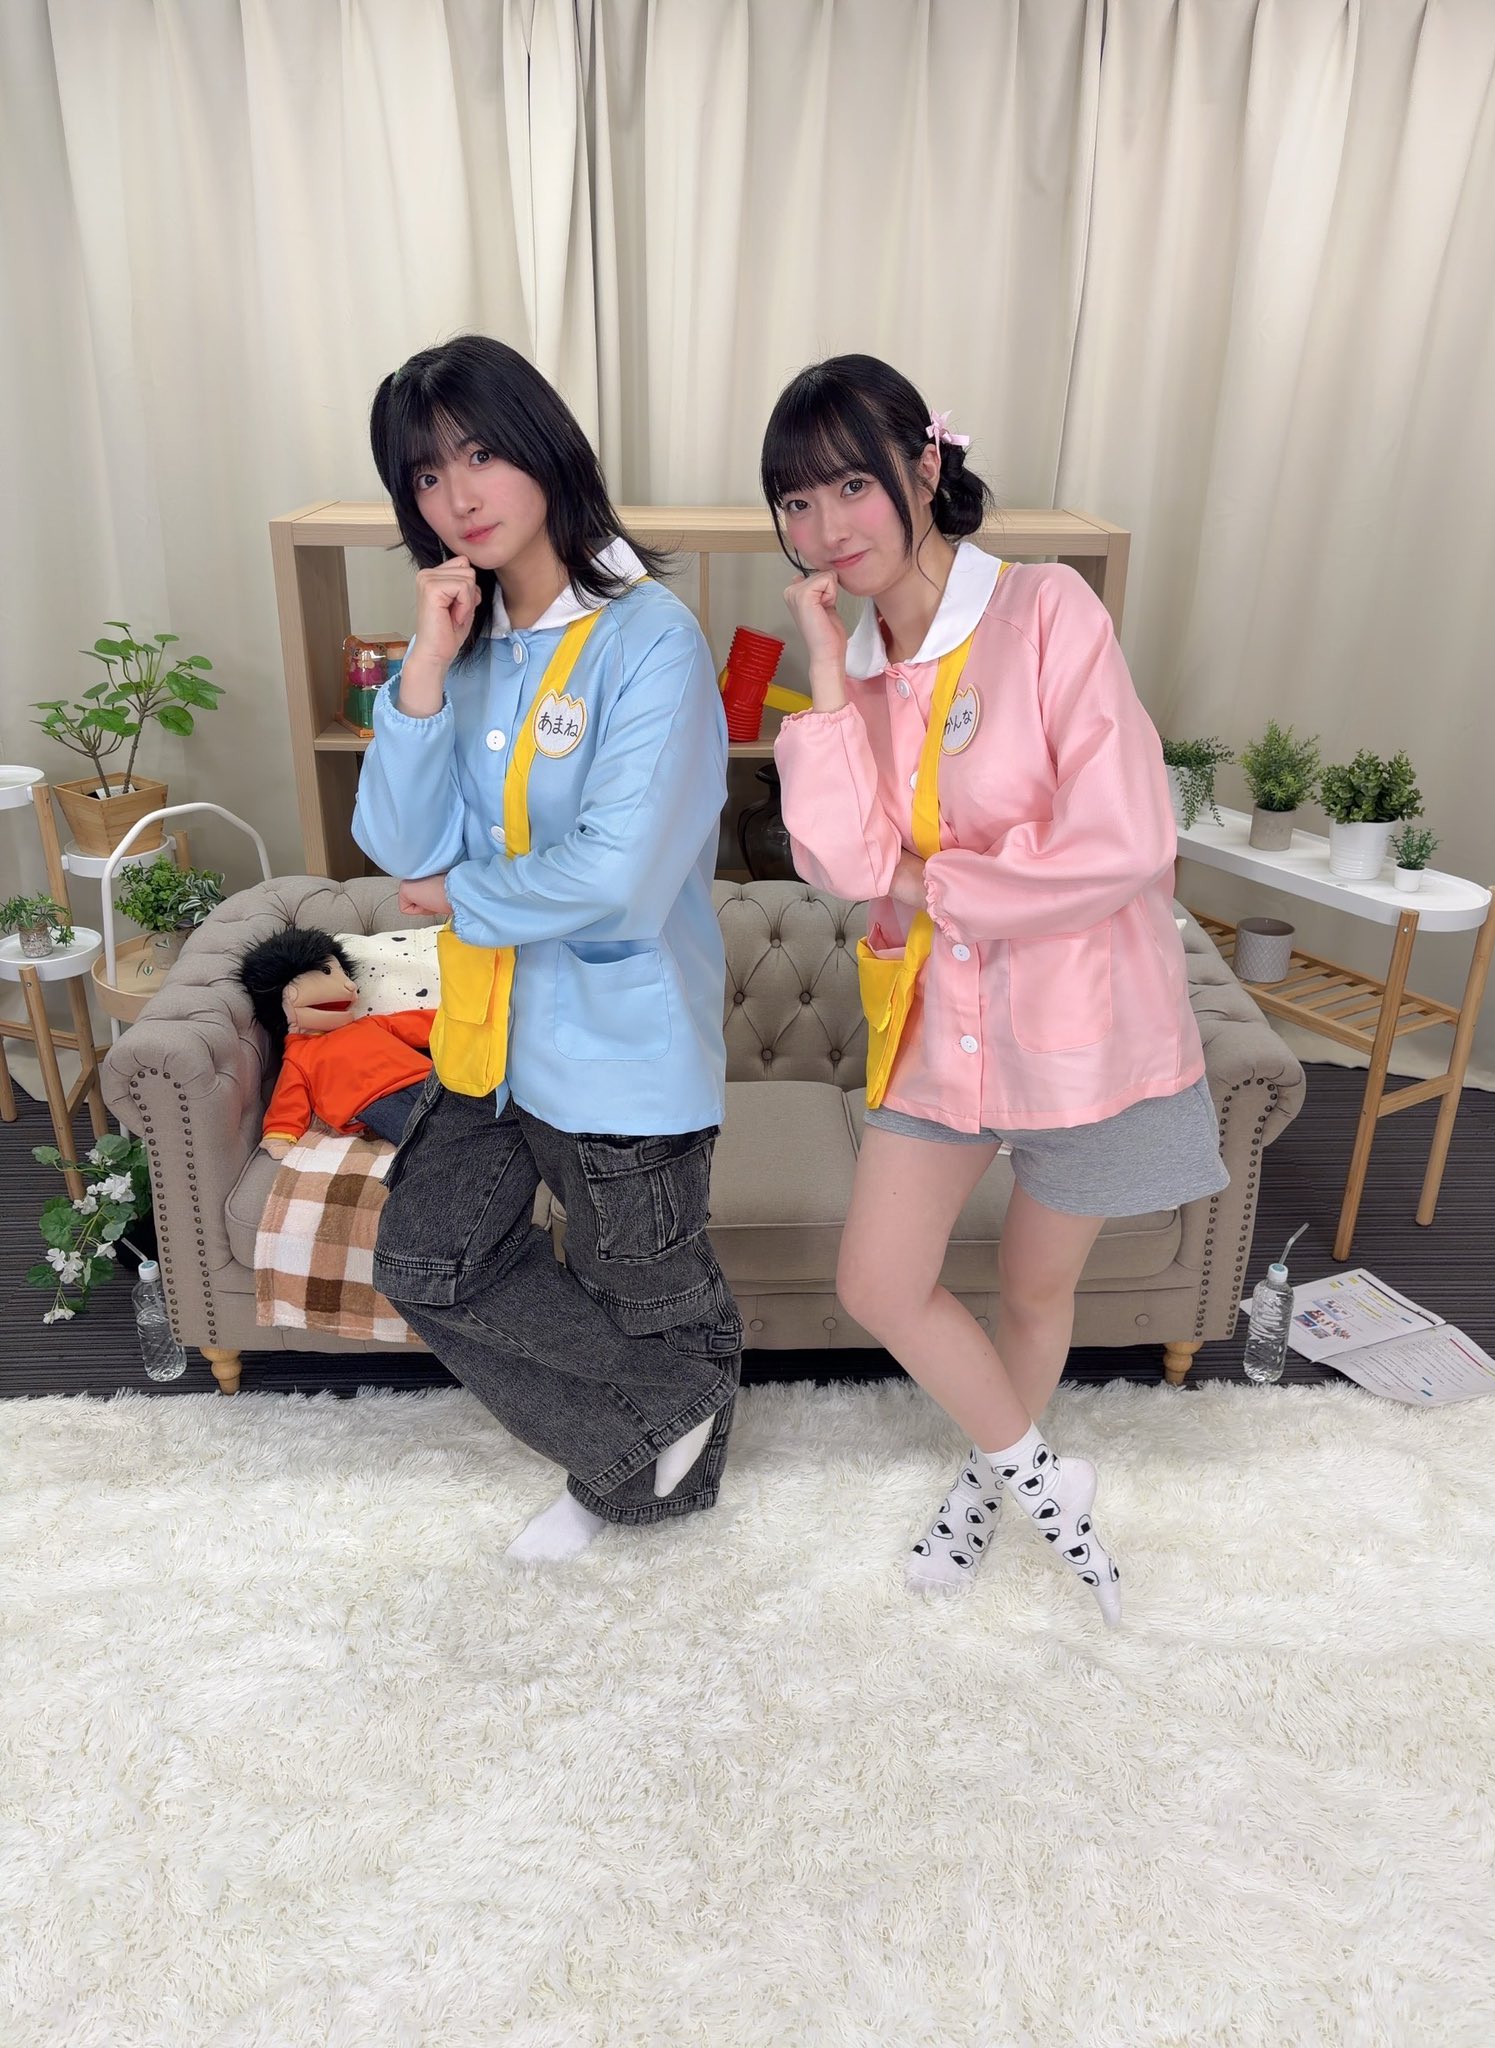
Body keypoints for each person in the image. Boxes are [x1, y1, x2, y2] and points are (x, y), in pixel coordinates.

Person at [762, 354, 1229, 1623]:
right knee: (879, 1280)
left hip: (1083, 1028)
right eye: (797, 501)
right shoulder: (858, 662)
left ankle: (983, 1484)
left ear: (925, 466)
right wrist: (824, 662)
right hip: (935, 1026)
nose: (826, 525)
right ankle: (1047, 1483)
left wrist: (934, 880)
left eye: (851, 484)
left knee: (1032, 1287)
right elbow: (839, 860)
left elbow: (1124, 838)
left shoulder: (1047, 612)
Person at [354, 333, 741, 1564]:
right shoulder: (464, 643)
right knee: (427, 1257)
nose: (456, 496)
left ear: (544, 446)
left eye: (479, 454)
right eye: (425, 475)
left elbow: (619, 875)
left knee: (651, 1287)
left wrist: (459, 894)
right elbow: (393, 839)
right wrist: (425, 664)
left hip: (621, 1049)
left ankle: (634, 1489)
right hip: (488, 1042)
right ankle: (665, 1412)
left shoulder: (651, 639)